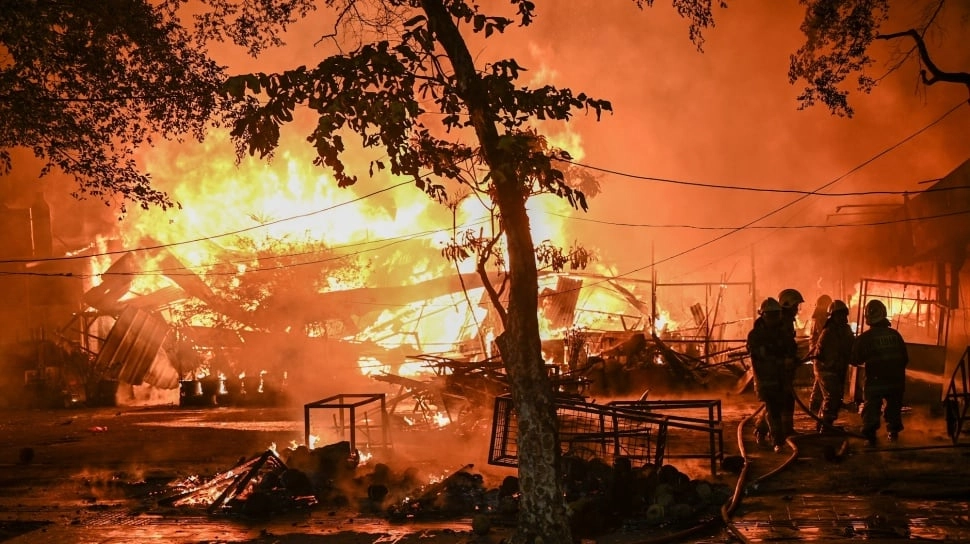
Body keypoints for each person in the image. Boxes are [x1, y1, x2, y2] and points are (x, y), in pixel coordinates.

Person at [850, 299, 909, 446]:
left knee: (871, 408)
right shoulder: (895, 335)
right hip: (896, 380)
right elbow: (905, 358)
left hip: (875, 381)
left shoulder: (865, 338)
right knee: (894, 407)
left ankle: (870, 438)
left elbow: (855, 359)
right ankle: (893, 434)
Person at [747, 297, 799, 452]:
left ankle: (760, 430)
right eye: (770, 315)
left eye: (776, 315)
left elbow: (792, 348)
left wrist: (792, 359)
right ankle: (778, 441)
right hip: (764, 378)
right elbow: (760, 355)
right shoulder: (755, 335)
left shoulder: (782, 333)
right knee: (773, 408)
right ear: (762, 316)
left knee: (774, 406)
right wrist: (781, 361)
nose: (773, 318)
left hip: (781, 377)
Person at [811, 299, 855, 431]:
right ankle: (825, 427)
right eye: (839, 315)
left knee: (834, 398)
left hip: (837, 369)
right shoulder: (828, 332)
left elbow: (851, 346)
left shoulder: (845, 330)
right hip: (826, 369)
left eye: (844, 314)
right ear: (833, 316)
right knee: (832, 398)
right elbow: (824, 354)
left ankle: (823, 424)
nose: (842, 317)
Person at [776, 288, 806, 438]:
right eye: (795, 306)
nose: (797, 309)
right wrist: (787, 359)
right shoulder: (781, 322)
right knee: (778, 400)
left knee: (786, 399)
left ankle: (787, 429)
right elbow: (780, 346)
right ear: (787, 304)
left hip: (786, 367)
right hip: (779, 368)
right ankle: (764, 429)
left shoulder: (786, 321)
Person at [807, 294, 834, 415]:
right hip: (821, 354)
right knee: (826, 385)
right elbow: (826, 335)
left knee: (819, 380)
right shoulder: (821, 319)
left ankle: (814, 405)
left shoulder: (816, 317)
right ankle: (820, 412)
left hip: (816, 353)